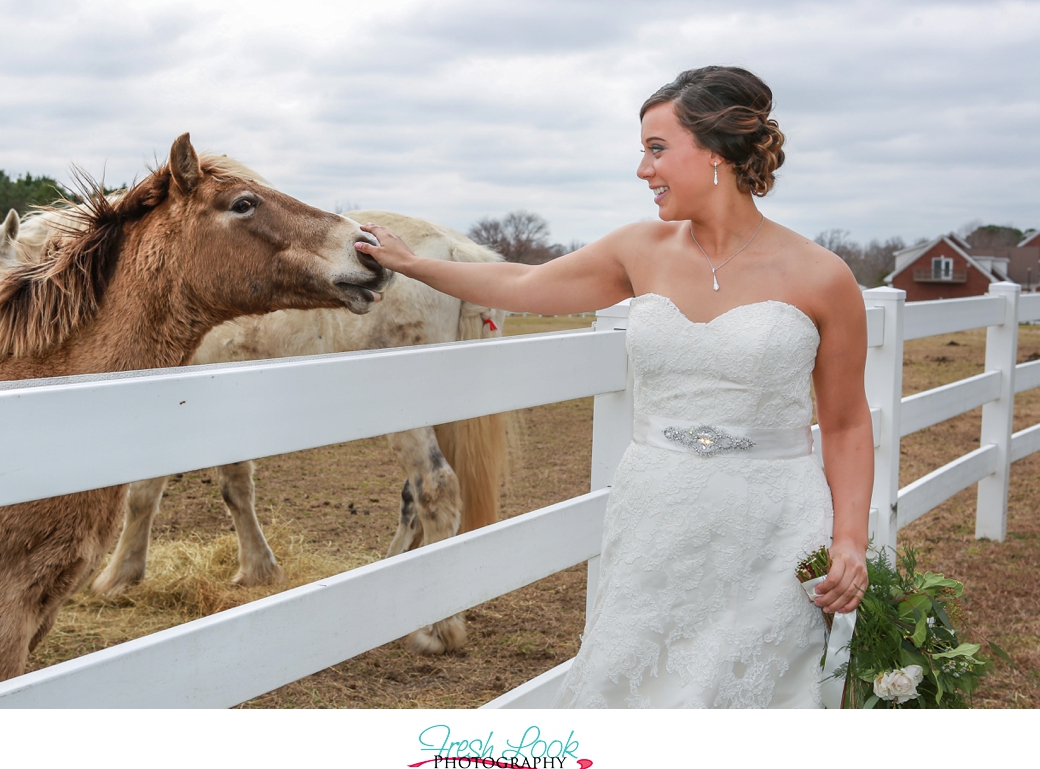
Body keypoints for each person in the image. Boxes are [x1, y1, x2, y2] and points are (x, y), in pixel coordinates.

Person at [354, 66, 873, 708]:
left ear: (716, 151)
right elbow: (521, 285)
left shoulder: (823, 276)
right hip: (656, 514)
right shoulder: (638, 250)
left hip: (775, 527)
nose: (643, 170)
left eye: (657, 149)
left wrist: (849, 539)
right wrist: (412, 263)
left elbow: (847, 422)